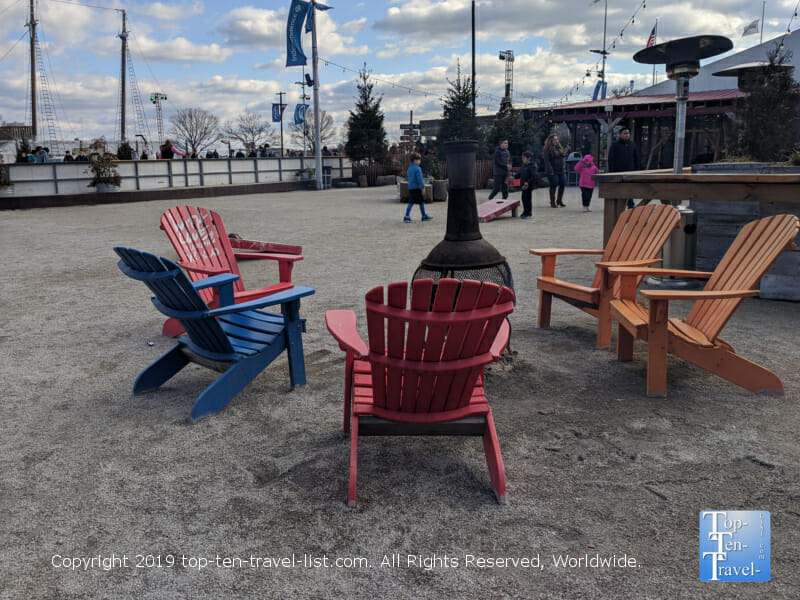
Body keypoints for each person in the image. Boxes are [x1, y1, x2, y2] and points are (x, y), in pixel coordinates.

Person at [607, 127, 640, 209]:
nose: (627, 135)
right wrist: (612, 172)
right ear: (620, 135)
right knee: (620, 190)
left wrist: (638, 170)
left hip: (630, 172)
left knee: (630, 189)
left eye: (628, 133)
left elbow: (636, 158)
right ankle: (619, 205)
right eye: (625, 133)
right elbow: (611, 159)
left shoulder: (632, 145)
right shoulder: (615, 145)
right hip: (618, 172)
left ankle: (630, 204)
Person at [403, 152, 432, 223]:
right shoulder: (418, 169)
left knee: (411, 202)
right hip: (417, 188)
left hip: (411, 188)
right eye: (419, 160)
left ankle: (406, 216)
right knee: (421, 202)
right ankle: (424, 216)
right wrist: (423, 187)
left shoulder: (409, 169)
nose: (420, 161)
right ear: (415, 160)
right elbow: (420, 179)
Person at [543, 134, 569, 207]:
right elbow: (547, 161)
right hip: (553, 171)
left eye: (557, 139)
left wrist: (564, 153)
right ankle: (552, 202)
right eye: (554, 139)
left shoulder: (559, 148)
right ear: (550, 140)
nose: (556, 141)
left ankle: (559, 200)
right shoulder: (547, 149)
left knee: (563, 184)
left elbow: (562, 156)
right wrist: (550, 171)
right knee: (553, 185)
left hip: (561, 170)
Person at [518, 150, 538, 219]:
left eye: (523, 158)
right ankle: (525, 211)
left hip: (529, 186)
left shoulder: (532, 166)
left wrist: (528, 182)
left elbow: (534, 176)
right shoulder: (524, 165)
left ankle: (528, 213)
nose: (522, 160)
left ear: (529, 158)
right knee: (523, 198)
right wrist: (513, 177)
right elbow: (519, 173)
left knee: (527, 199)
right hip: (523, 185)